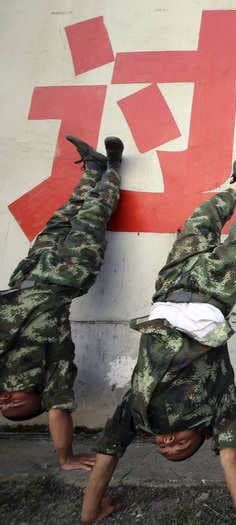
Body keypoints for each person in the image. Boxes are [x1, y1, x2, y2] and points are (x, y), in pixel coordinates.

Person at [80, 160, 236, 524]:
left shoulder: (139, 410)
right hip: (215, 294)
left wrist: (89, 514)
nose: (168, 441)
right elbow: (230, 458)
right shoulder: (215, 409)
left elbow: (107, 454)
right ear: (203, 436)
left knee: (200, 221)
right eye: (180, 445)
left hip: (171, 289)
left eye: (164, 445)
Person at [0, 135, 124, 471]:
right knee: (93, 213)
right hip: (69, 272)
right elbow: (59, 412)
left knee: (64, 216)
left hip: (29, 271)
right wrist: (65, 457)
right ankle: (113, 167)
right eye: (17, 406)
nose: (7, 400)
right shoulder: (52, 368)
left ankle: (93, 168)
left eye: (4, 405)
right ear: (38, 395)